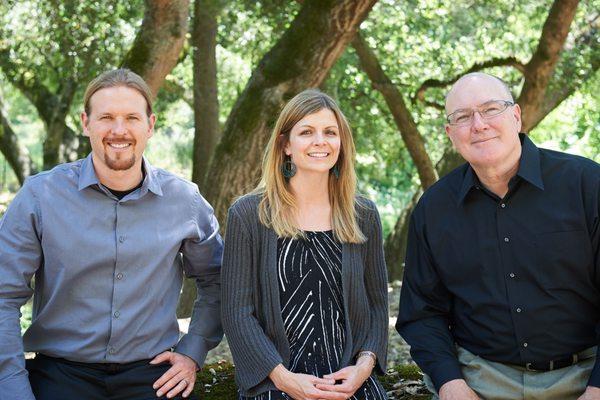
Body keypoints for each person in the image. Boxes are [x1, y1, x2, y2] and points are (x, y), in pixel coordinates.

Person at [0, 69, 224, 400]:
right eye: (106, 117)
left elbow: (218, 279)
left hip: (154, 378)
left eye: (131, 117)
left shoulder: (185, 201)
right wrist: (13, 388)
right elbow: (3, 294)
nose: (119, 130)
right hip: (59, 376)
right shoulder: (39, 196)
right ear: (85, 122)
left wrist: (193, 350)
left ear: (150, 125)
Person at [396, 72, 600, 400]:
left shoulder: (586, 184)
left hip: (586, 373)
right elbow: (422, 314)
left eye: (491, 109)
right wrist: (451, 384)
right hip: (481, 378)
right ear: (450, 134)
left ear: (516, 116)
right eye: (462, 117)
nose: (479, 124)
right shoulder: (433, 209)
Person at [221, 89, 389, 400]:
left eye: (330, 132)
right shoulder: (248, 215)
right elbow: (237, 312)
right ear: (285, 144)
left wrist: (364, 367)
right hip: (276, 384)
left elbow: (379, 304)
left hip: (348, 382)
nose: (320, 141)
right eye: (306, 132)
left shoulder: (363, 215)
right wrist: (284, 379)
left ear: (341, 143)